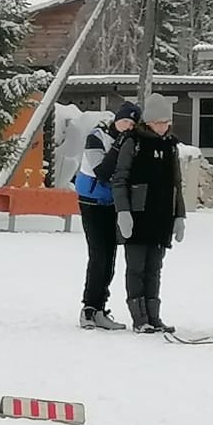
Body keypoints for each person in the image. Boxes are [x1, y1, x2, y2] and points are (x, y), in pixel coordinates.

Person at [113, 93, 186, 334]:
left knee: (154, 269)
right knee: (136, 268)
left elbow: (177, 183)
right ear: (149, 122)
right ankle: (139, 318)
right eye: (159, 122)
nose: (163, 127)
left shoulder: (171, 146)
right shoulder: (133, 143)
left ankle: (154, 317)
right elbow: (120, 179)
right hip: (137, 216)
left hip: (161, 216)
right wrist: (123, 211)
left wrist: (179, 215)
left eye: (167, 122)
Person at [76, 102, 139, 330]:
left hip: (113, 203)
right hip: (92, 202)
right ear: (116, 120)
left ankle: (100, 307)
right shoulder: (97, 137)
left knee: (110, 257)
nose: (127, 126)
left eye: (132, 124)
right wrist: (118, 148)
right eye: (124, 121)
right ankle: (89, 308)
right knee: (98, 255)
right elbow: (101, 171)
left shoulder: (128, 140)